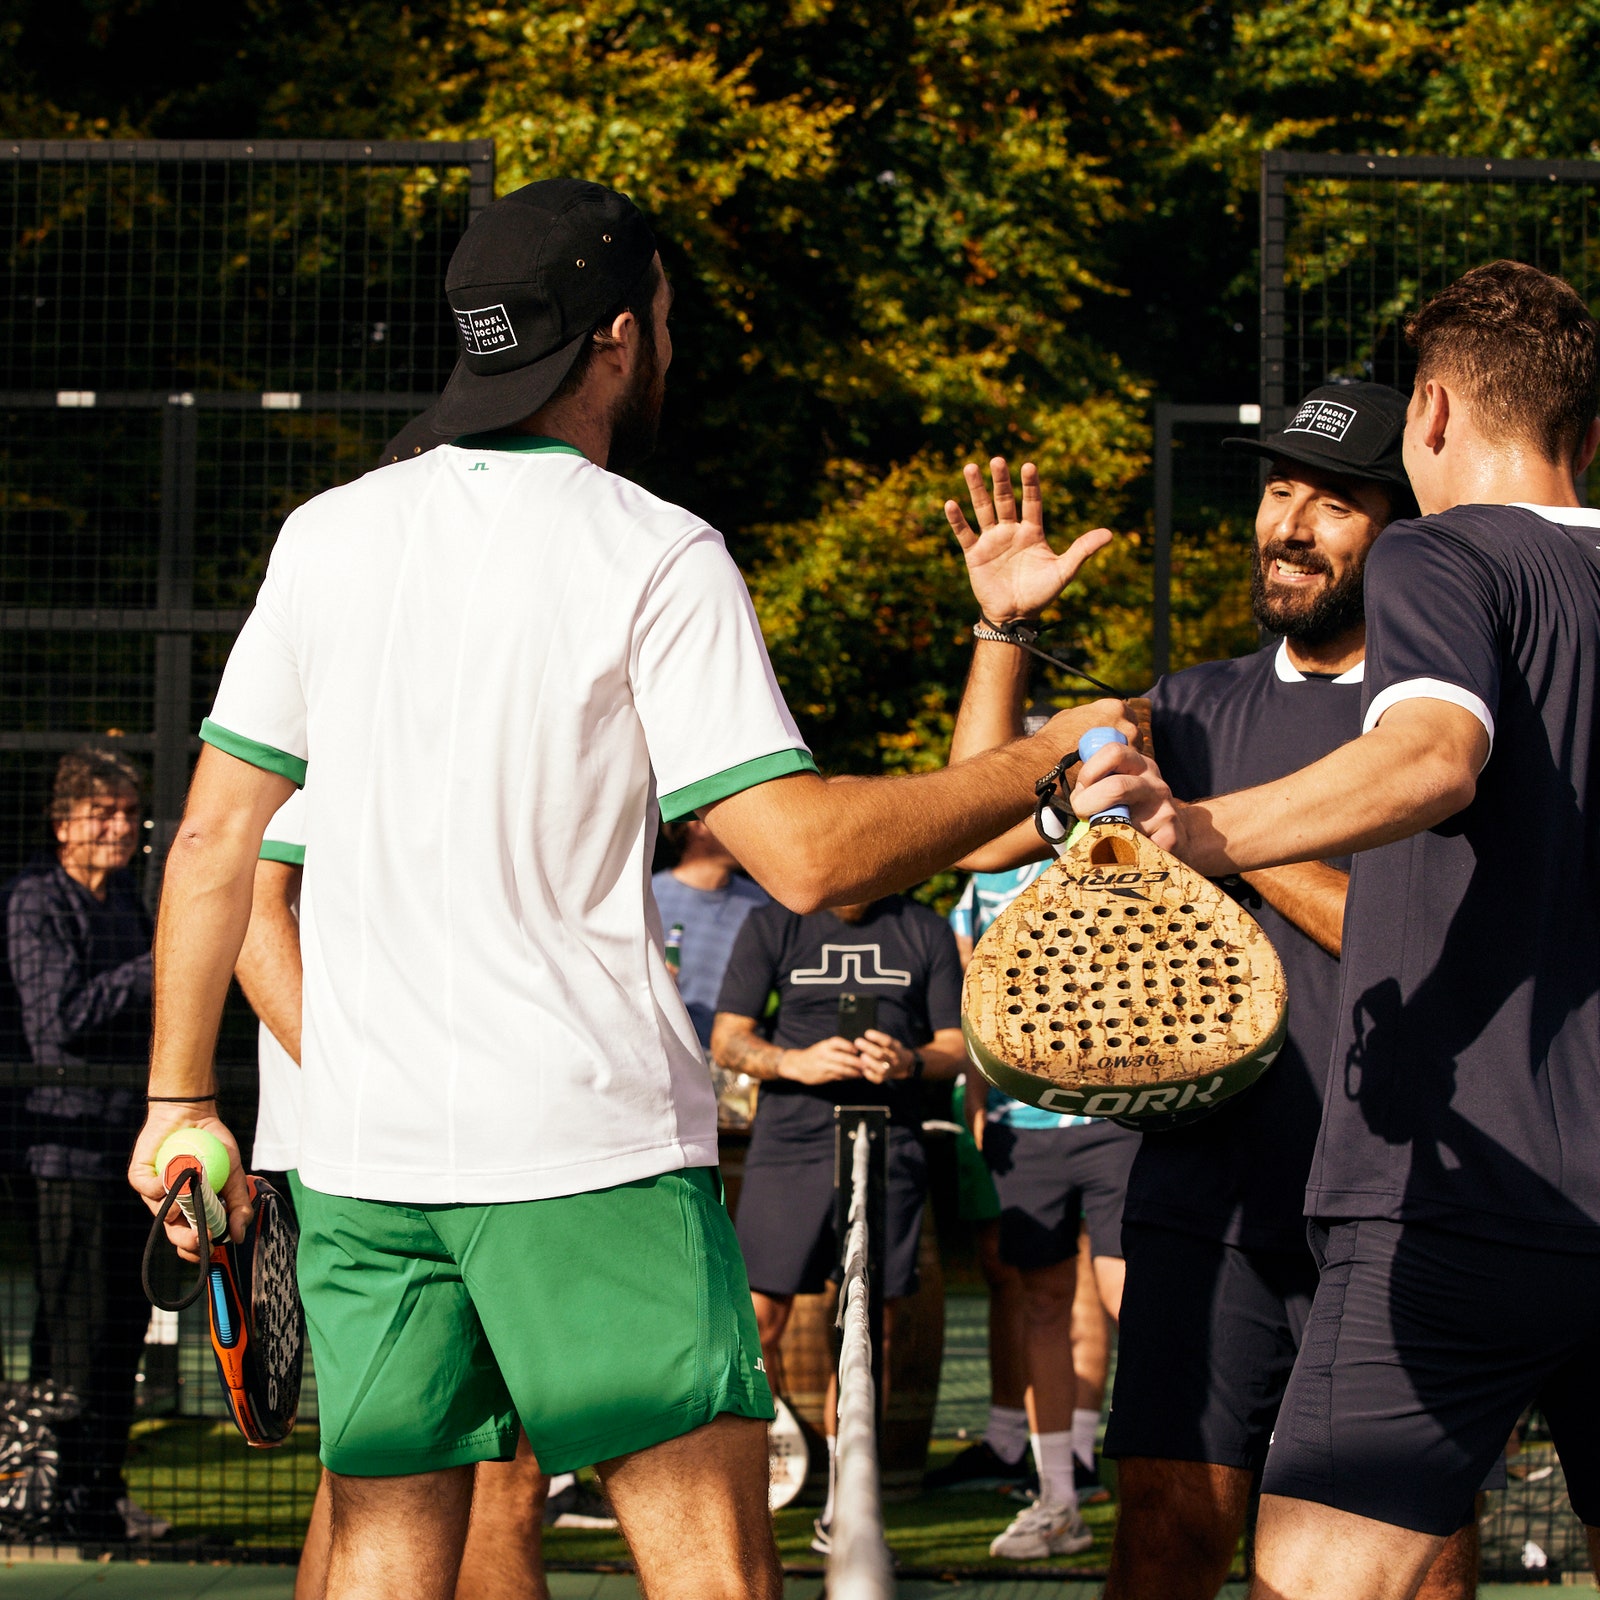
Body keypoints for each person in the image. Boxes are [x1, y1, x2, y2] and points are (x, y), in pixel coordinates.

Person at [126, 175, 1132, 1600]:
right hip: (580, 1143)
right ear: (613, 337)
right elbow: (808, 855)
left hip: (359, 1155)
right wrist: (1038, 757)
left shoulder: (327, 534)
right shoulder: (656, 549)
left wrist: (178, 1104)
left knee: (384, 1550)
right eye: (663, 318)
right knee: (708, 1556)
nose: (671, 343)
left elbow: (218, 843)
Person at [1070, 261, 1600, 1600]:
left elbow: (1429, 758)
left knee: (1318, 1579)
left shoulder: (1448, 550)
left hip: (1464, 1195)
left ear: (1428, 415)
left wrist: (1203, 833)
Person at [943, 384, 1491, 1596]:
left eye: (1332, 501)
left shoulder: (1441, 723)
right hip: (1210, 1201)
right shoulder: (1188, 705)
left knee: (1410, 1563)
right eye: (1278, 488)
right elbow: (977, 831)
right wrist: (1002, 633)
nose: (1289, 523)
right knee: (1165, 1537)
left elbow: (1415, 948)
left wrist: (1213, 834)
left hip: (1399, 1209)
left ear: (1400, 530)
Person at [237, 793, 565, 1600]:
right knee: (494, 1469)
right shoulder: (336, 722)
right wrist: (372, 1098)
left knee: (376, 1468)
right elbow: (248, 906)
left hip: (439, 1141)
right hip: (402, 1152)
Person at [710, 893, 966, 1553]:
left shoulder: (923, 928)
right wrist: (794, 1062)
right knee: (758, 1318)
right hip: (790, 1139)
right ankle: (734, 1492)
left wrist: (908, 1061)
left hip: (891, 1138)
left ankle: (844, 1505)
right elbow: (729, 1038)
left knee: (867, 1325)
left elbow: (956, 1047)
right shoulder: (776, 921)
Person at [938, 858, 1136, 1559]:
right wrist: (978, 1100)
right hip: (1023, 1130)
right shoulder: (980, 887)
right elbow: (974, 996)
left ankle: (1182, 1484)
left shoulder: (1115, 855)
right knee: (1043, 1302)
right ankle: (1058, 1502)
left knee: (1131, 1298)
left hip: (1119, 1115)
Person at [7, 747, 168, 1542]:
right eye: (103, 813)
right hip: (63, 1157)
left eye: (127, 812)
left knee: (121, 1337)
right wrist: (155, 966)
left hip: (123, 1151)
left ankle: (100, 1496)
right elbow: (55, 1024)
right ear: (63, 823)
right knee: (73, 1338)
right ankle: (50, 1499)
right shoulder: (35, 902)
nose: (121, 826)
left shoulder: (125, 904)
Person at [651, 818, 768, 1050]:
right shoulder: (648, 898)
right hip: (667, 1060)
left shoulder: (763, 905)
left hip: (736, 1072)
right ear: (698, 826)